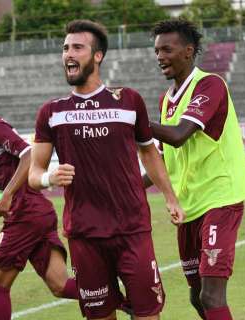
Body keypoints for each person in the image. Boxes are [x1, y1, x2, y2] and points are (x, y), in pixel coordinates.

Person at [29, 20, 185, 320]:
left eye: (77, 47)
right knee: (99, 316)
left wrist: (170, 197)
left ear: (97, 56)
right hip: (85, 235)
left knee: (147, 313)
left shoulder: (129, 100)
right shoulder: (52, 112)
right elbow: (34, 174)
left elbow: (149, 152)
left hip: (132, 230)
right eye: (65, 48)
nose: (68, 54)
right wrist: (50, 177)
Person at [147, 19, 245, 320]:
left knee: (211, 295)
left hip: (220, 198)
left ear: (188, 51)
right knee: (197, 297)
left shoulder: (210, 84)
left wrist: (131, 119)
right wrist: (125, 189)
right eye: (156, 51)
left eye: (167, 49)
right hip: (189, 207)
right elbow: (163, 157)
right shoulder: (166, 100)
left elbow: (179, 135)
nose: (160, 57)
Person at [0, 80, 79, 320]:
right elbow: (14, 171)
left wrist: (7, 195)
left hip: (25, 214)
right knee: (60, 286)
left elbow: (28, 154)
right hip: (38, 212)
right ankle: (124, 300)